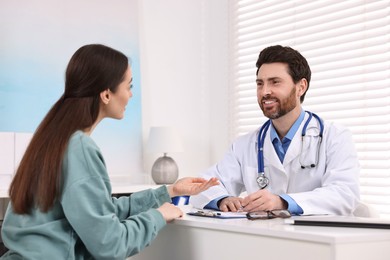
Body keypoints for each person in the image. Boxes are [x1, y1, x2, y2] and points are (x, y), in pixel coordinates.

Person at [0, 44, 219, 259]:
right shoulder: (79, 148)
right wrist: (159, 215)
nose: (131, 95)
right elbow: (109, 244)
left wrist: (169, 191)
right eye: (129, 86)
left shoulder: (51, 137)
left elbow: (98, 210)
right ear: (106, 94)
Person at [190, 45, 360, 216]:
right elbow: (202, 187)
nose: (265, 92)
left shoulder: (335, 137)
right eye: (260, 84)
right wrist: (222, 199)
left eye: (275, 82)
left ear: (301, 87)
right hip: (268, 238)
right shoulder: (245, 144)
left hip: (317, 239)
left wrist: (281, 202)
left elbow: (344, 195)